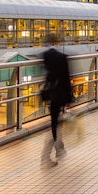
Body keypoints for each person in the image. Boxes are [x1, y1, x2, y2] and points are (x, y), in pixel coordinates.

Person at [40, 34, 71, 166]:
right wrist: (70, 98)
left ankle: (58, 149)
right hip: (61, 94)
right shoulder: (62, 58)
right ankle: (48, 156)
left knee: (55, 121)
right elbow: (66, 78)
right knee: (55, 124)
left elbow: (49, 75)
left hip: (51, 93)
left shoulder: (45, 56)